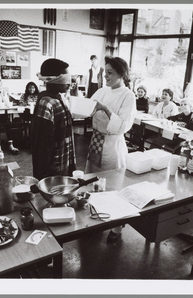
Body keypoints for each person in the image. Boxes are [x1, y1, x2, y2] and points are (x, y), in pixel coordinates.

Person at [85, 56, 136, 243]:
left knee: (113, 187)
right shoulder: (102, 90)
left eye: (110, 73)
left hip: (113, 145)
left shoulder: (128, 95)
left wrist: (105, 110)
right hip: (96, 141)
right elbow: (86, 109)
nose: (105, 76)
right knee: (92, 181)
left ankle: (116, 229)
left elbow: (123, 125)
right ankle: (97, 217)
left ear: (121, 74)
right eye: (104, 72)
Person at [30, 58, 76, 180]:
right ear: (53, 79)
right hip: (52, 169)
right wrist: (44, 175)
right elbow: (41, 144)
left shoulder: (60, 98)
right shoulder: (46, 103)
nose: (69, 83)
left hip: (64, 160)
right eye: (66, 79)